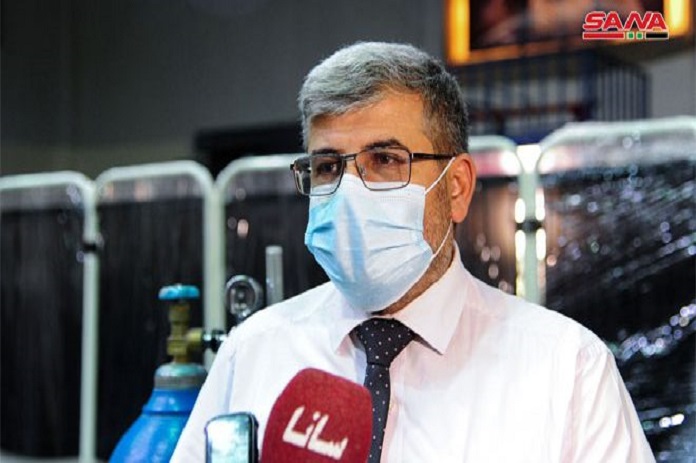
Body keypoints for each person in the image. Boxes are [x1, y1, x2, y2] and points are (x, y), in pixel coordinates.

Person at [172, 41, 654, 462]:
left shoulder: (567, 370)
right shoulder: (253, 353)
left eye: (384, 160)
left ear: (457, 187)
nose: (349, 192)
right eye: (327, 166)